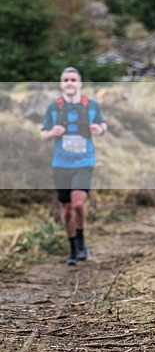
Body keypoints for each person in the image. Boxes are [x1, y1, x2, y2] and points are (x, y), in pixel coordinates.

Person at [41, 67, 107, 266]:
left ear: (80, 84)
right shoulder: (54, 107)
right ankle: (72, 248)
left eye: (73, 79)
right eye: (66, 80)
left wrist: (99, 129)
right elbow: (42, 133)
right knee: (66, 209)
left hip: (84, 162)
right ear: (61, 84)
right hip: (61, 164)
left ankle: (81, 240)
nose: (69, 83)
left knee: (78, 204)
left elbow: (103, 125)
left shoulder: (92, 105)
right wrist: (52, 132)